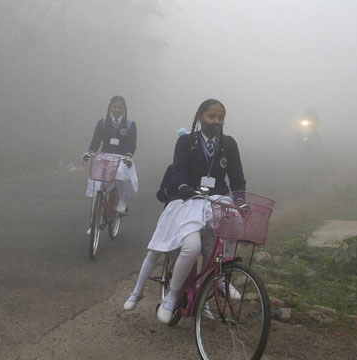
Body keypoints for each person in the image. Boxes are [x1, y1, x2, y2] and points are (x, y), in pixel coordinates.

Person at [123, 99, 246, 324]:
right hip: (188, 199)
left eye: (220, 118)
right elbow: (178, 170)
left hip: (216, 199)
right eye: (211, 116)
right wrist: (182, 187)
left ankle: (218, 280)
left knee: (228, 230)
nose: (216, 122)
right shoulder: (186, 142)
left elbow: (237, 177)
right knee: (191, 247)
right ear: (200, 117)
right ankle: (171, 298)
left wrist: (240, 200)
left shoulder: (228, 144)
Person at [83, 95, 138, 214]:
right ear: (110, 108)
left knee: (120, 175)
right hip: (104, 156)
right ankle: (94, 220)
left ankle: (122, 200)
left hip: (122, 158)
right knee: (97, 184)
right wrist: (90, 152)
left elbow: (132, 144)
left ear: (124, 109)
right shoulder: (102, 123)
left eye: (120, 107)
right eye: (114, 107)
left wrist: (128, 156)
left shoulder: (130, 125)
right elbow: (95, 141)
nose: (117, 110)